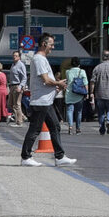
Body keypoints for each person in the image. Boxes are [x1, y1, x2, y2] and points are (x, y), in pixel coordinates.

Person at [20, 35, 76, 167]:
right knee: (35, 129)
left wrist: (56, 85)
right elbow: (45, 80)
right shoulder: (39, 59)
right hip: (41, 102)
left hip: (47, 101)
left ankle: (60, 156)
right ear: (44, 44)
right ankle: (25, 157)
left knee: (55, 127)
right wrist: (58, 83)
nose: (53, 47)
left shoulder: (42, 59)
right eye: (51, 44)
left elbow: (46, 81)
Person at [64, 58, 90, 134]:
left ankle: (70, 126)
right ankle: (78, 128)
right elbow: (85, 83)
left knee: (69, 110)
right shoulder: (82, 71)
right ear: (79, 64)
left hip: (69, 93)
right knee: (79, 112)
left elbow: (67, 81)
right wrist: (86, 93)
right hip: (79, 94)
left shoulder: (67, 72)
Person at [7, 50, 28, 124]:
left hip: (17, 85)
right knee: (10, 104)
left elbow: (24, 77)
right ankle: (22, 116)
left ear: (19, 57)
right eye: (13, 55)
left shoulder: (21, 65)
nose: (14, 57)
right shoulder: (13, 64)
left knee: (17, 104)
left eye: (16, 56)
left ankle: (19, 121)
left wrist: (20, 86)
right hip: (12, 85)